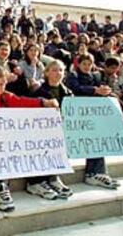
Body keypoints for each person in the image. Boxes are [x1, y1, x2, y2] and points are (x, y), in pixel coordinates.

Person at [0, 67, 58, 211]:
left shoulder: (6, 96)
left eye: (4, 77)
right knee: (0, 148)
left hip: (3, 138)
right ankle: (0, 188)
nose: (3, 80)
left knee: (29, 140)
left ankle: (36, 181)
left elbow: (22, 102)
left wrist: (44, 102)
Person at [66, 54, 121, 189]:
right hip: (78, 116)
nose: (87, 67)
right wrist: (94, 90)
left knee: (97, 140)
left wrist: (105, 90)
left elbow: (100, 88)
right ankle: (93, 173)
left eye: (89, 64)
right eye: (84, 64)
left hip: (93, 114)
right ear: (78, 64)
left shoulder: (95, 76)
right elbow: (76, 89)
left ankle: (98, 172)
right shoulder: (73, 76)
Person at [29, 60, 74, 199]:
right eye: (54, 70)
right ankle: (35, 182)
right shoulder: (38, 92)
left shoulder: (68, 93)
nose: (58, 73)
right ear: (47, 72)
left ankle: (54, 178)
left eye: (60, 70)